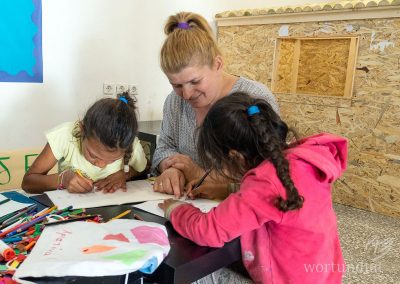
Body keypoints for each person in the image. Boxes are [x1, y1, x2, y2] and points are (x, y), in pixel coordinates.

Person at [159, 92, 347, 283]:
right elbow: (272, 201)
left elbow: (208, 231)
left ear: (236, 156)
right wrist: (230, 189)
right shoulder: (300, 160)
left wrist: (175, 209)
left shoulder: (266, 182)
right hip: (324, 273)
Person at [152, 11, 279, 199]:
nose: (186, 94)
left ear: (217, 64)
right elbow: (164, 147)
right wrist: (171, 169)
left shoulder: (254, 98)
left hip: (241, 213)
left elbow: (270, 172)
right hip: (190, 207)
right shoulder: (174, 100)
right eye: (176, 85)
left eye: (195, 82)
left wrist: (198, 173)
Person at [22, 93, 147, 194]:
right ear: (82, 130)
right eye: (93, 155)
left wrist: (125, 174)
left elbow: (143, 169)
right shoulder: (65, 135)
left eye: (112, 161)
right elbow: (28, 183)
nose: (101, 165)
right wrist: (62, 179)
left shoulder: (130, 144)